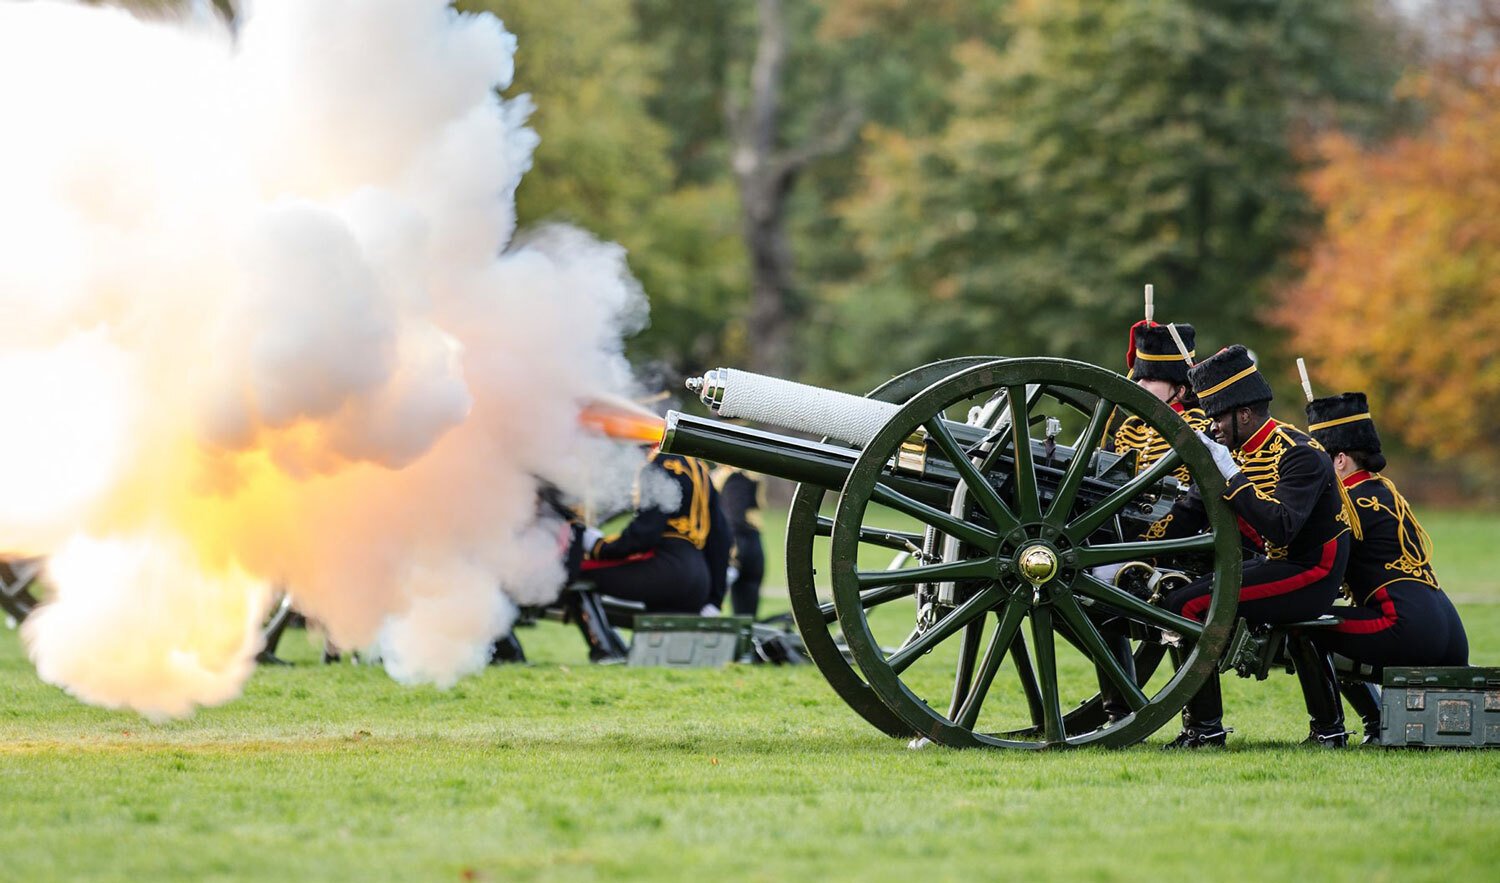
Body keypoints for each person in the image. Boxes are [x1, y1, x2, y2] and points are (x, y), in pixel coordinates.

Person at [1152, 345, 1353, 748]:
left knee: (1187, 607)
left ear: (1242, 413)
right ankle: (1209, 726)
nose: (1212, 427)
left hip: (1311, 571)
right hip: (1276, 564)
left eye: (1216, 417)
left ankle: (1205, 729)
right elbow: (1190, 513)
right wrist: (1136, 541)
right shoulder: (1234, 452)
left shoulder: (1300, 453)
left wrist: (1230, 474)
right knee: (1174, 595)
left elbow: (1281, 528)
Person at [1304, 392, 1469, 743]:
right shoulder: (1388, 492)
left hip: (1405, 628)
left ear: (1340, 460)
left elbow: (1311, 564)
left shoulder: (1344, 504)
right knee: (1346, 626)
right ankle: (1375, 725)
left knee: (1305, 626)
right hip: (1450, 630)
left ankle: (1334, 730)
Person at [1095, 320, 1213, 723]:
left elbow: (1191, 500)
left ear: (1179, 388)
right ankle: (1118, 711)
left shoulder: (1198, 428)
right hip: (1130, 540)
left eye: (1151, 382)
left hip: (1178, 548)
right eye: (1138, 380)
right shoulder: (1128, 427)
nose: (1140, 389)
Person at [581, 449, 721, 614]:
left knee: (577, 571)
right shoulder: (702, 470)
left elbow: (644, 534)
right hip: (700, 580)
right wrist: (715, 598)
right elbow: (720, 538)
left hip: (666, 571)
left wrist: (598, 546)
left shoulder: (659, 462)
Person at [710, 465, 766, 618]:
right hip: (753, 543)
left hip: (738, 546)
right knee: (746, 614)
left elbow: (734, 518)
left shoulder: (733, 478)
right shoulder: (750, 475)